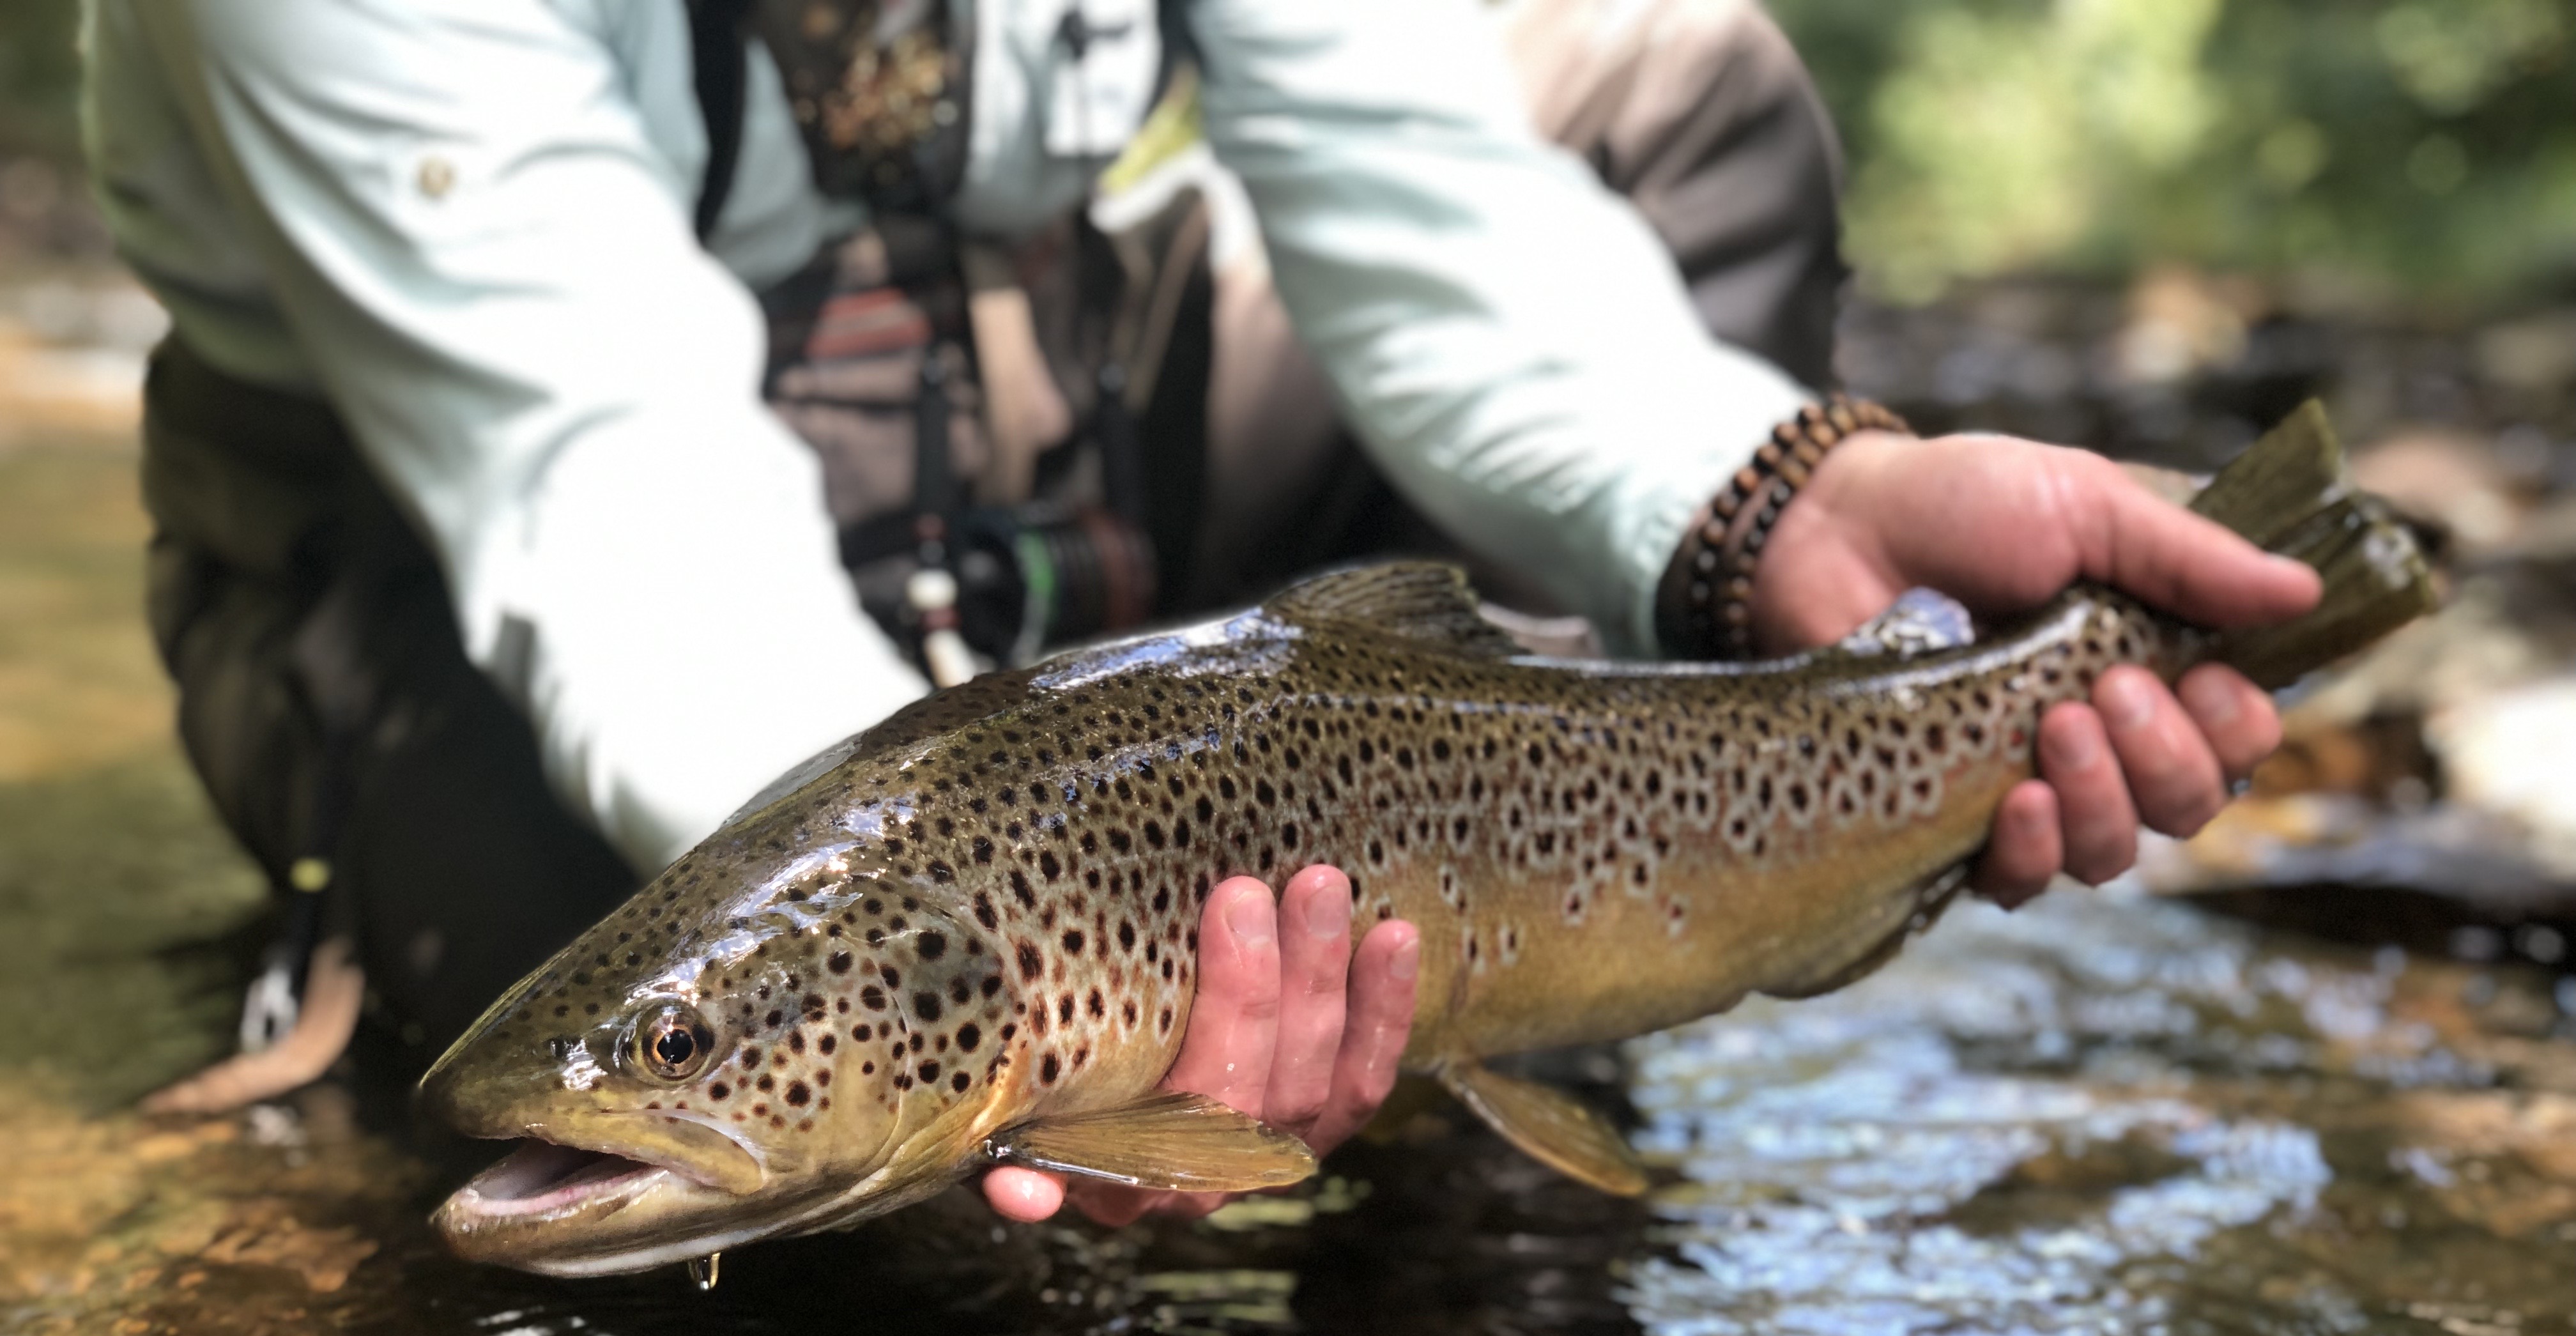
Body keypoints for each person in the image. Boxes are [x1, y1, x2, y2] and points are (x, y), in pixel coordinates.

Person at [85, 0, 2310, 1227]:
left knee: (1669, 88)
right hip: (462, 514)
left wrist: (1783, 496)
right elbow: (609, 499)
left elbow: (1421, 201)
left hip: (1040, 452)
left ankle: (1529, 981)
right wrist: (1059, 1014)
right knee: (709, 1096)